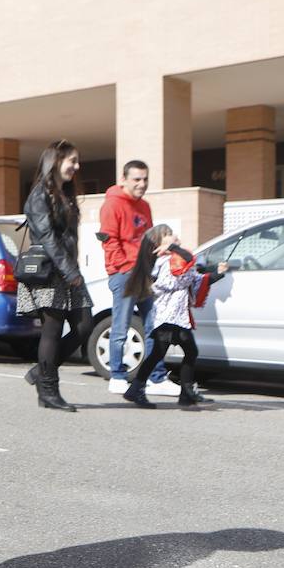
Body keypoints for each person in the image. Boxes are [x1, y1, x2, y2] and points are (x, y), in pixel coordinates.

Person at [18, 140, 94, 412]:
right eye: (72, 160)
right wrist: (70, 270)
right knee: (52, 330)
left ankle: (41, 373)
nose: (76, 166)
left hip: (68, 270)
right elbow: (49, 238)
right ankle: (48, 391)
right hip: (51, 271)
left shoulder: (66, 195)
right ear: (55, 161)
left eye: (76, 161)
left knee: (84, 326)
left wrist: (73, 269)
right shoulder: (40, 195)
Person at [119, 225, 228, 409]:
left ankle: (181, 393)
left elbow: (195, 279)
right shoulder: (165, 263)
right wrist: (173, 249)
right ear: (159, 244)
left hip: (177, 317)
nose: (175, 236)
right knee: (162, 354)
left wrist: (218, 274)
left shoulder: (175, 260)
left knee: (176, 353)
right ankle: (144, 390)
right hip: (168, 318)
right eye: (168, 235)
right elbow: (186, 268)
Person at [99, 161, 174, 396]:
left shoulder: (145, 206)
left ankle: (155, 377)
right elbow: (109, 240)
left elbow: (149, 239)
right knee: (121, 326)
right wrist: (123, 268)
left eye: (145, 179)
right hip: (124, 274)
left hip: (144, 274)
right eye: (137, 179)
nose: (142, 184)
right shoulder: (112, 204)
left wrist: (158, 254)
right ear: (124, 179)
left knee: (155, 325)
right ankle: (117, 376)